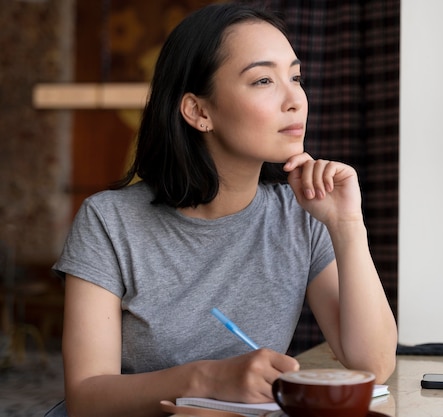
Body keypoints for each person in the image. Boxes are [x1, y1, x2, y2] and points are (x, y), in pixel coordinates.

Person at [47, 3, 397, 417]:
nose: (295, 101)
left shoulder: (301, 215)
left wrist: (347, 225)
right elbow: (86, 398)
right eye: (264, 79)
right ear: (199, 111)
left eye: (296, 77)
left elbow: (371, 367)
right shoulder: (108, 221)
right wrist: (207, 380)